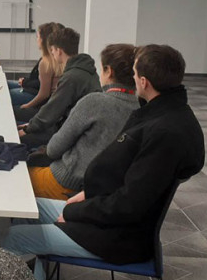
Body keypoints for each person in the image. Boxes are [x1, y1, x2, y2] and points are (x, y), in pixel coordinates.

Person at [2, 45, 205, 280]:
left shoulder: (163, 131)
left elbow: (129, 204)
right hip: (104, 212)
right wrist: (87, 194)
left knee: (13, 238)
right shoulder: (168, 115)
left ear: (144, 82)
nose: (132, 78)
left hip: (116, 235)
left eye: (135, 72)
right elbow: (130, 181)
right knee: (29, 207)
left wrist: (75, 211)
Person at [27, 44, 140, 199]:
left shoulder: (94, 102)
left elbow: (54, 149)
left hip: (67, 183)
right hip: (102, 191)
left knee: (16, 177)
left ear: (109, 71)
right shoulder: (140, 108)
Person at [18, 27, 100, 149]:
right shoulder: (88, 71)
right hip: (72, 127)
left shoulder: (72, 77)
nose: (52, 53)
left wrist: (28, 129)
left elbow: (53, 110)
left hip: (69, 133)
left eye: (52, 50)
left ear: (59, 51)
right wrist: (31, 125)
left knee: (17, 140)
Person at [9, 22, 64, 109]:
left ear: (43, 40)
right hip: (38, 94)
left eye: (38, 37)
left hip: (38, 97)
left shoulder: (46, 62)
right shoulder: (52, 59)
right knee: (6, 86)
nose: (37, 40)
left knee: (6, 95)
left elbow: (44, 94)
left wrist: (26, 106)